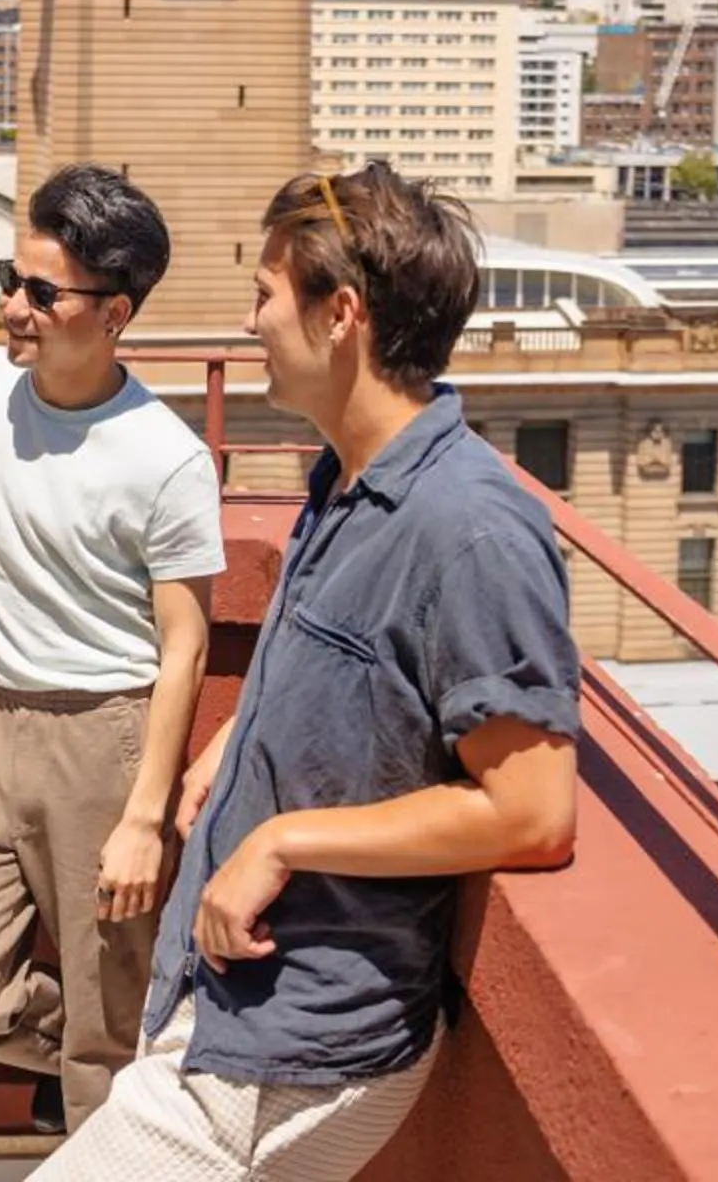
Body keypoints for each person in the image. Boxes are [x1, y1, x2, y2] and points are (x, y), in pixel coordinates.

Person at [35, 165, 581, 1181]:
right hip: (229, 1003)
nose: (249, 323)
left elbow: (533, 811)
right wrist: (239, 745)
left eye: (264, 294)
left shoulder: (470, 528)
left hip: (294, 1043)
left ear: (341, 315)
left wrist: (283, 837)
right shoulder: (347, 476)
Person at [0, 163, 224, 1133]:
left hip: (103, 736)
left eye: (42, 293)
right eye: (13, 280)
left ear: (114, 312)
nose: (14, 306)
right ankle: (120, 1059)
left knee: (108, 1015)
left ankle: (111, 1084)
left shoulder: (166, 457)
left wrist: (145, 817)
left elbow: (185, 644)